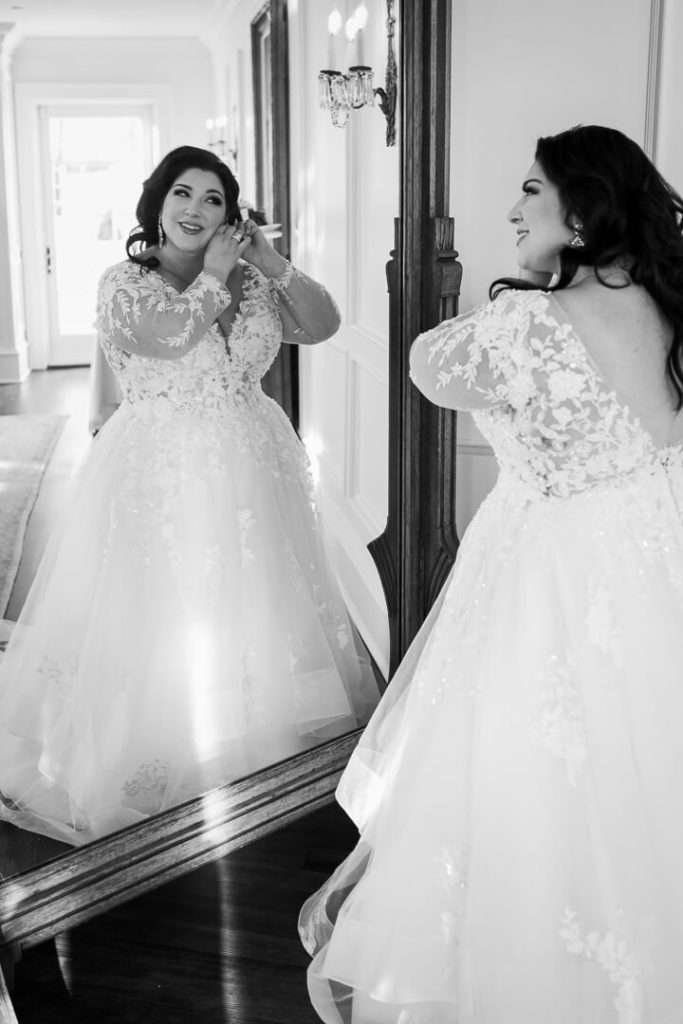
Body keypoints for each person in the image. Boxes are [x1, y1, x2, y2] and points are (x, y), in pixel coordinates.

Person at [299, 125, 683, 1023]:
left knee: (529, 771)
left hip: (545, 581)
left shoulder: (527, 323)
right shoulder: (669, 311)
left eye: (529, 191)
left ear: (581, 214)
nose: (511, 208)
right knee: (639, 765)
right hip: (649, 566)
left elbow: (425, 367)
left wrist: (520, 297)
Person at [0, 145, 378, 845]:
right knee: (163, 609)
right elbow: (172, 337)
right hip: (162, 466)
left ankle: (255, 742)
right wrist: (212, 276)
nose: (195, 210)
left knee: (256, 598)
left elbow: (322, 325)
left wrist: (268, 264)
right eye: (183, 193)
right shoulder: (124, 281)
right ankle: (154, 752)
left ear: (231, 214)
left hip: (254, 460)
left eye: (212, 199)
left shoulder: (254, 282)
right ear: (157, 203)